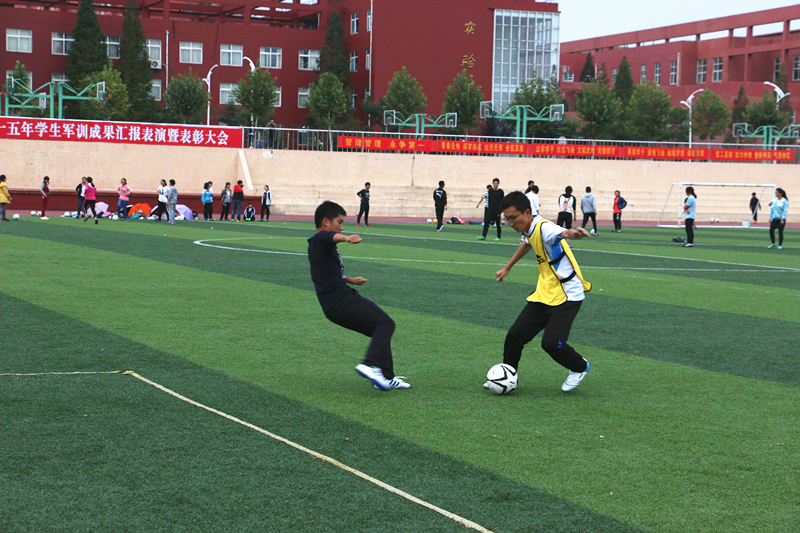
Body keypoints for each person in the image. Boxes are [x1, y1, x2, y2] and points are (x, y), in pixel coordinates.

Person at [490, 191, 592, 393]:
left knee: (552, 343)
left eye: (513, 218)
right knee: (515, 336)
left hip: (568, 294)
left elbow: (563, 233)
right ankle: (507, 376)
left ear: (527, 212)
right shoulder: (529, 228)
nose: (510, 223)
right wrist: (508, 267)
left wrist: (574, 234)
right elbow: (527, 243)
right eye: (507, 219)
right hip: (545, 292)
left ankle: (580, 367)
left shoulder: (544, 227)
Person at [307, 201, 410, 391]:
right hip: (340, 300)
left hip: (332, 306)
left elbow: (328, 274)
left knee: (379, 331)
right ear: (326, 222)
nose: (342, 226)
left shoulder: (319, 247)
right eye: (339, 222)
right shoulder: (320, 239)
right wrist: (347, 238)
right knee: (386, 324)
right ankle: (369, 365)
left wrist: (350, 280)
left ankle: (386, 377)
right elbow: (330, 236)